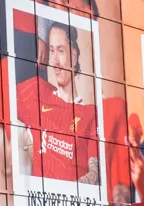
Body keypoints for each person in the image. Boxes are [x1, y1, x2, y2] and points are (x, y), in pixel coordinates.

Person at [14, 20, 102, 185]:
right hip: (40, 203)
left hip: (72, 204)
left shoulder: (91, 114)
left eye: (60, 51)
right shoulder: (37, 91)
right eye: (52, 51)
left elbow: (95, 175)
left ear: (74, 56)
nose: (54, 61)